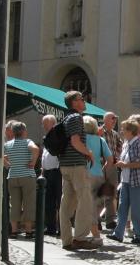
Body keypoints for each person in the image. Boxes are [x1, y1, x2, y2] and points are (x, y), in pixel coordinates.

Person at [59, 91, 97, 250]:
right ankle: (80, 238)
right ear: (75, 102)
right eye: (81, 99)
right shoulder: (75, 118)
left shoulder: (65, 117)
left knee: (67, 203)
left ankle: (67, 239)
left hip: (66, 164)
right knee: (85, 200)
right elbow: (75, 141)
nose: (84, 101)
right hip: (76, 165)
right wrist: (88, 153)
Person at [109, 119, 140, 244]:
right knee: (122, 208)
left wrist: (124, 165)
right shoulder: (127, 143)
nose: (121, 131)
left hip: (137, 181)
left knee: (136, 210)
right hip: (126, 181)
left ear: (130, 131)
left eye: (124, 129)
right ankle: (118, 234)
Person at [3, 121, 39, 238]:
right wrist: (33, 161)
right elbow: (35, 149)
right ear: (24, 131)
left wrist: (7, 164)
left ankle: (14, 231)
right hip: (27, 175)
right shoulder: (27, 142)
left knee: (14, 203)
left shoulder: (8, 144)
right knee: (28, 202)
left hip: (13, 176)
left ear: (13, 132)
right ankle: (28, 230)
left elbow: (2, 156)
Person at [84, 115, 111, 242]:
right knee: (97, 204)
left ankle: (94, 233)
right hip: (99, 174)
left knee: (88, 205)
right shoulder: (101, 140)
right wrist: (103, 168)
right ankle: (94, 230)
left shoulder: (81, 139)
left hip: (85, 174)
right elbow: (110, 159)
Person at [40, 114, 62, 237]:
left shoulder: (58, 136)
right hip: (47, 173)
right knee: (48, 201)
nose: (43, 126)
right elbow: (44, 157)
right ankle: (50, 227)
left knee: (59, 200)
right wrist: (43, 172)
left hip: (57, 172)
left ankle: (61, 227)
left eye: (45, 123)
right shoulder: (46, 137)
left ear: (52, 124)